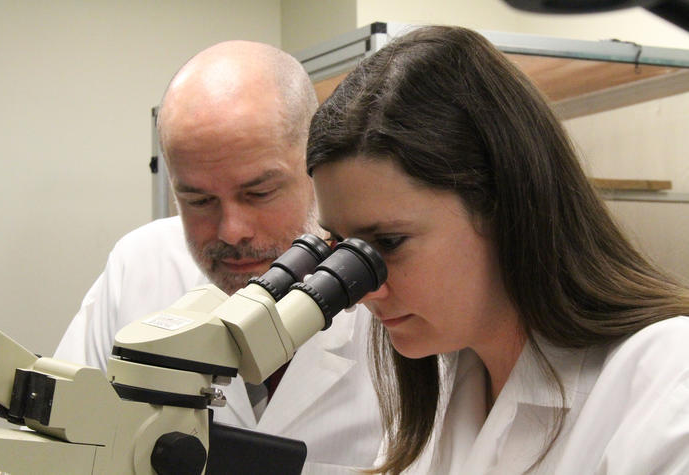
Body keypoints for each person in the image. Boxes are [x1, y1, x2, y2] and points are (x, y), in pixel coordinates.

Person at [306, 25, 689, 474]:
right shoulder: (449, 382)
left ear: (504, 205)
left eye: (388, 243)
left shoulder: (667, 384)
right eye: (342, 247)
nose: (362, 291)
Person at [54, 40, 382, 473]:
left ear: (314, 161)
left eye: (259, 192)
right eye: (198, 200)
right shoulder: (139, 265)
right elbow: (63, 438)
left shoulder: (394, 298)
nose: (232, 230)